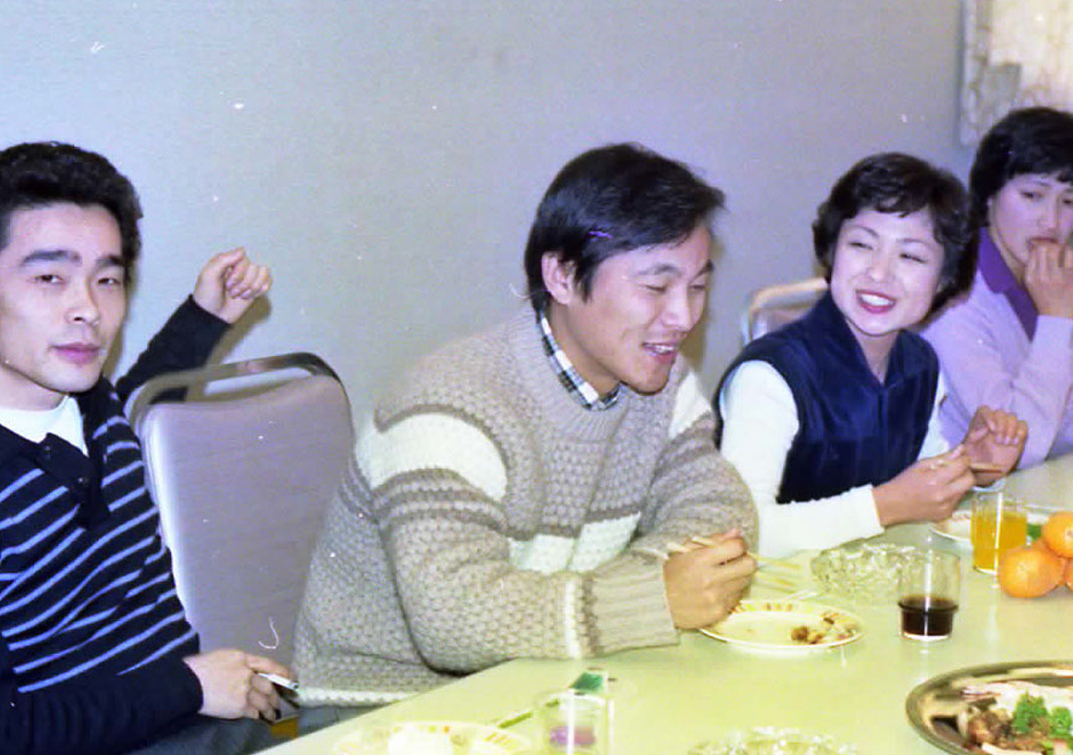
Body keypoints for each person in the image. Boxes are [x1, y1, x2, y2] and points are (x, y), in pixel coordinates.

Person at [294, 143, 756, 705]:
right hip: (388, 711)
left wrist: (647, 597)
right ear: (561, 276)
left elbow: (721, 511)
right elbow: (453, 619)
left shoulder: (662, 384)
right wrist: (648, 598)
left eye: (698, 287)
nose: (683, 316)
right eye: (656, 288)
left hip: (554, 682)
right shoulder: (448, 405)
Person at [0, 142, 287, 755]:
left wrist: (204, 316)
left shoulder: (93, 409)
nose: (88, 310)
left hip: (204, 749)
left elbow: (136, 402)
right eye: (49, 279)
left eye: (108, 279)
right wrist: (188, 686)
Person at [714, 153, 1027, 559]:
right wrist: (884, 507)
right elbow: (742, 531)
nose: (879, 273)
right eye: (862, 245)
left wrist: (971, 466)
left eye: (910, 256)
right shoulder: (768, 376)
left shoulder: (921, 364)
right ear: (832, 251)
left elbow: (920, 491)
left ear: (945, 279)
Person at [922, 107, 1073, 467]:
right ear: (990, 194)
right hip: (954, 494)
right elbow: (1020, 447)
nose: (1051, 221)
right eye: (1032, 195)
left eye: (1070, 202)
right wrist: (1056, 319)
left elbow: (1056, 417)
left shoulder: (1042, 280)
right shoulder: (955, 296)